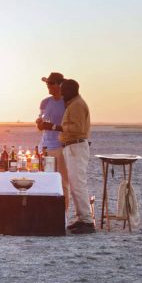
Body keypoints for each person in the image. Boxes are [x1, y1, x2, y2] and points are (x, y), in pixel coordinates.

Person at [40, 79, 93, 234]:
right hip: (72, 147)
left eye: (63, 90)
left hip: (76, 146)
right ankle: (81, 218)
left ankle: (87, 221)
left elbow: (77, 128)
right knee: (75, 185)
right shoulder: (74, 103)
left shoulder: (76, 105)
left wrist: (55, 127)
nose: (61, 93)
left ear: (71, 90)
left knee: (78, 184)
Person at [35, 71, 70, 220]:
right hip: (45, 147)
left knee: (63, 182)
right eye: (47, 83)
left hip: (61, 147)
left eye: (50, 83)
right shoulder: (45, 102)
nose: (47, 86)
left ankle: (63, 215)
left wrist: (52, 126)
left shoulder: (67, 103)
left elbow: (70, 126)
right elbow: (41, 124)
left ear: (58, 85)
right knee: (44, 180)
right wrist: (40, 124)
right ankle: (46, 214)